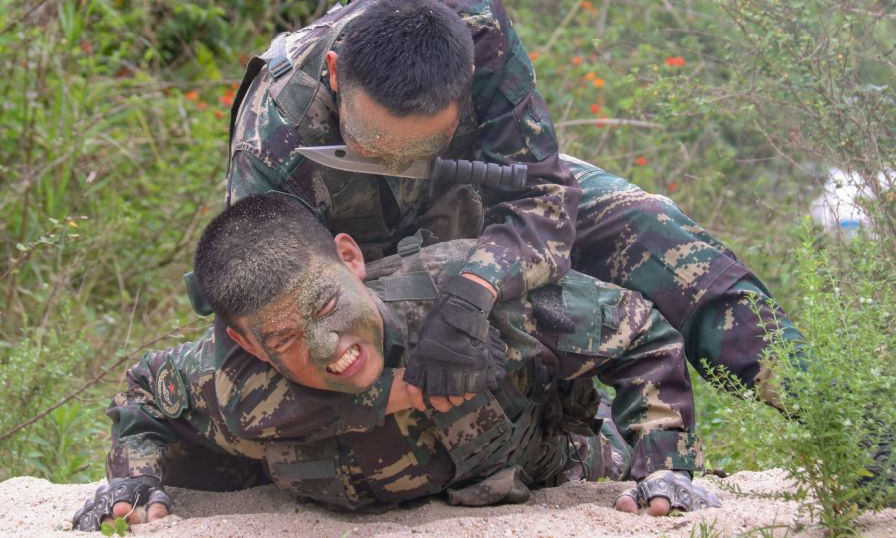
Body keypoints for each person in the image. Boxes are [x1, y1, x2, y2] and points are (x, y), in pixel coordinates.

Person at [224, 0, 805, 410]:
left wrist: (475, 287)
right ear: (333, 73)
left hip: (480, 191)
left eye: (418, 148)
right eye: (374, 146)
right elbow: (269, 302)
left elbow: (543, 198)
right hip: (358, 257)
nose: (397, 165)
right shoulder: (272, 136)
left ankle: (850, 426)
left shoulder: (477, 23)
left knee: (653, 226)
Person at [72, 194, 719, 531]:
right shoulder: (229, 381)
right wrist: (132, 482)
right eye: (287, 336)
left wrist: (662, 470)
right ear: (246, 345)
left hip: (547, 460)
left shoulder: (469, 297)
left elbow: (639, 332)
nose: (329, 346)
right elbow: (144, 396)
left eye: (326, 303)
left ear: (351, 259)